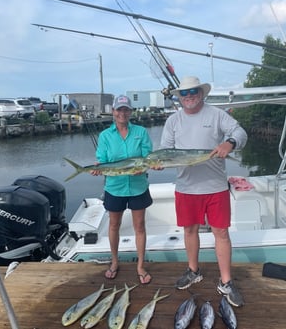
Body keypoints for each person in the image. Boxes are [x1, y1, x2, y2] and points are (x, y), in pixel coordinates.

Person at [158, 76, 247, 306]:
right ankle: (193, 270)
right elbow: (165, 150)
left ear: (201, 92)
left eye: (193, 91)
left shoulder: (216, 114)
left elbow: (239, 132)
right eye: (184, 93)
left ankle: (226, 281)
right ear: (179, 97)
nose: (189, 96)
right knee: (189, 230)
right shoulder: (173, 121)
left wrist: (230, 143)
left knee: (222, 233)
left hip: (215, 186)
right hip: (186, 187)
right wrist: (158, 161)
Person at [91, 95, 153, 284]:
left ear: (130, 112)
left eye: (126, 109)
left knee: (139, 227)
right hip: (114, 187)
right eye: (119, 109)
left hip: (138, 186)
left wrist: (143, 167)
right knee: (113, 225)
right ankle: (114, 262)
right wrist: (97, 166)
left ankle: (140, 266)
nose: (122, 113)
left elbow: (148, 157)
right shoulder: (105, 136)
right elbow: (101, 158)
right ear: (113, 112)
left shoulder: (141, 132)